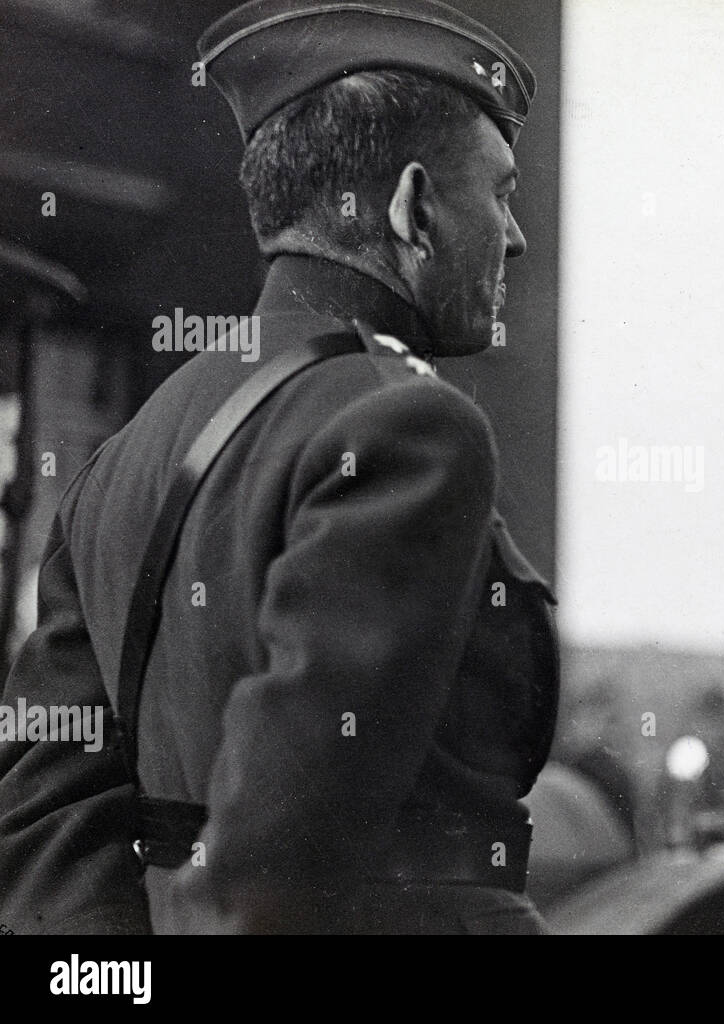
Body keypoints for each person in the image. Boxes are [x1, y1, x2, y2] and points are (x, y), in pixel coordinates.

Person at [0, 0, 559, 935]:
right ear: (413, 208)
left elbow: (42, 819)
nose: (514, 236)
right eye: (499, 192)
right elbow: (281, 853)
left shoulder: (121, 460)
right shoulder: (409, 424)